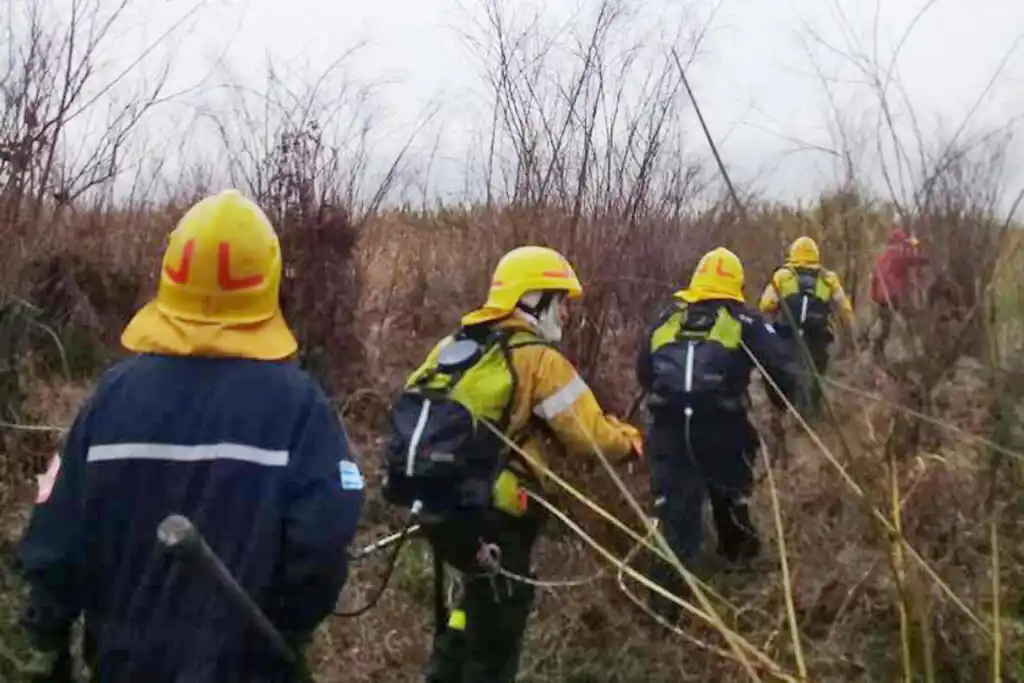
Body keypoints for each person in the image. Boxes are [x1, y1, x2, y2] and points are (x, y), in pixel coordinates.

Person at [16, 190, 364, 683]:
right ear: (266, 285)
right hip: (247, 667)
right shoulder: (298, 407)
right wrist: (286, 628)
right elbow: (323, 540)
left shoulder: (112, 397)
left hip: (124, 666)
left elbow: (57, 533)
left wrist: (48, 643)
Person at [382, 245, 643, 683]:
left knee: (465, 611)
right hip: (498, 516)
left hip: (442, 509)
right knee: (497, 640)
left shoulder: (453, 345)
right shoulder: (539, 359)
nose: (564, 312)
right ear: (532, 299)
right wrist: (631, 443)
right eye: (559, 300)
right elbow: (590, 437)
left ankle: (443, 671)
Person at [636, 247, 799, 624]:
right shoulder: (744, 318)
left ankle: (662, 613)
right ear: (736, 285)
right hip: (723, 429)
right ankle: (738, 563)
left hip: (669, 431)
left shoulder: (666, 318)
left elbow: (643, 370)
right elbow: (781, 367)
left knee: (673, 516)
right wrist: (781, 402)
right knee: (731, 494)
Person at [757, 236, 854, 418]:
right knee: (817, 372)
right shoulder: (828, 278)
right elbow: (845, 309)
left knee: (784, 369)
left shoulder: (783, 276)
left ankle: (785, 409)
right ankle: (813, 411)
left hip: (787, 334)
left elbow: (765, 305)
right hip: (818, 336)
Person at [868, 226, 927, 357]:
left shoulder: (883, 256)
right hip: (890, 294)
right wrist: (923, 255)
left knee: (886, 322)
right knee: (893, 322)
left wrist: (874, 295)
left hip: (882, 295)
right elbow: (912, 260)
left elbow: (874, 277)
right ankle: (879, 349)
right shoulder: (896, 255)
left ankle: (877, 348)